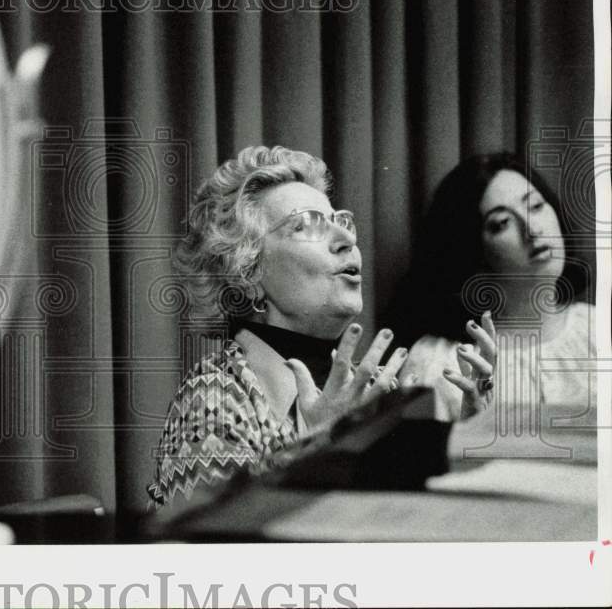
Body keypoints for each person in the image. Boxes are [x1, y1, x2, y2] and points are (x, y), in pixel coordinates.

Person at [147, 145, 410, 509]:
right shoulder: (212, 400)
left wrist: (466, 434)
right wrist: (318, 449)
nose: (347, 239)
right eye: (305, 225)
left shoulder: (376, 385)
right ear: (248, 270)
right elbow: (211, 553)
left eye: (341, 221)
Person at [390, 153, 592, 421]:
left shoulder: (598, 329)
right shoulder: (439, 361)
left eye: (535, 206)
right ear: (473, 252)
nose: (533, 229)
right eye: (501, 223)